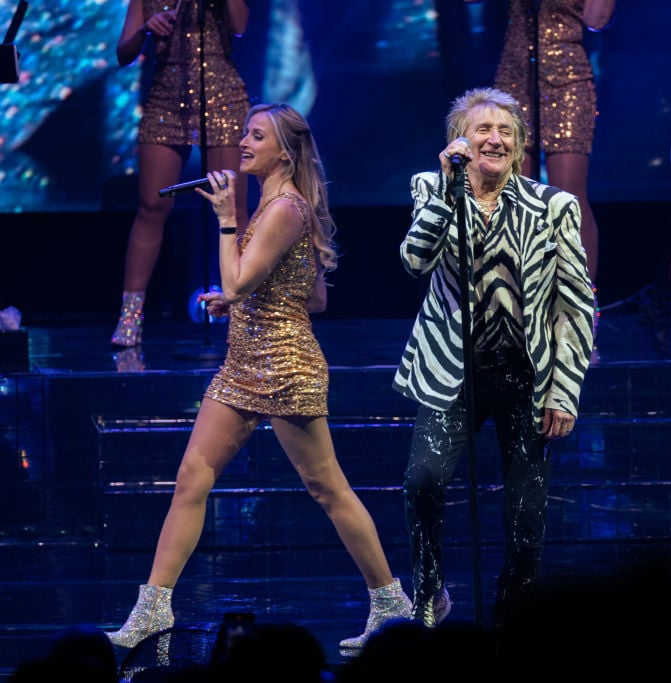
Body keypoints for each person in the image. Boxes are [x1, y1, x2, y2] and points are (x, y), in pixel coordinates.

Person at [105, 103, 412, 655]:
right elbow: (311, 296)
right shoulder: (281, 205)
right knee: (191, 477)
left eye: (256, 135)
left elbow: (242, 279)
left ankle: (391, 604)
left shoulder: (285, 207)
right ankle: (152, 610)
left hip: (285, 366)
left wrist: (227, 222)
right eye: (245, 132)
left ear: (285, 151)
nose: (242, 142)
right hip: (243, 363)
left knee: (327, 487)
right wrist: (240, 303)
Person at [393, 87, 595, 629]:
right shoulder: (432, 189)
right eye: (482, 128)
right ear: (458, 140)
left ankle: (514, 616)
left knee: (526, 512)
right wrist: (449, 190)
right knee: (423, 481)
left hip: (526, 374)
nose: (495, 139)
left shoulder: (553, 206)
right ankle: (430, 593)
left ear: (521, 146)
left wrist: (564, 390)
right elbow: (415, 260)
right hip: (453, 369)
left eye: (506, 131)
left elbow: (574, 302)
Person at [110, 0, 251, 347]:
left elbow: (240, 25)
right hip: (166, 96)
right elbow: (123, 53)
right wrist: (147, 27)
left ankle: (246, 311)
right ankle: (130, 318)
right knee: (152, 206)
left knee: (232, 206)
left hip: (222, 96)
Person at [491, 0, 615, 288]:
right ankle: (517, 298)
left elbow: (597, 19)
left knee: (569, 197)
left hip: (568, 78)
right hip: (515, 76)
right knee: (515, 197)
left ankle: (581, 301)